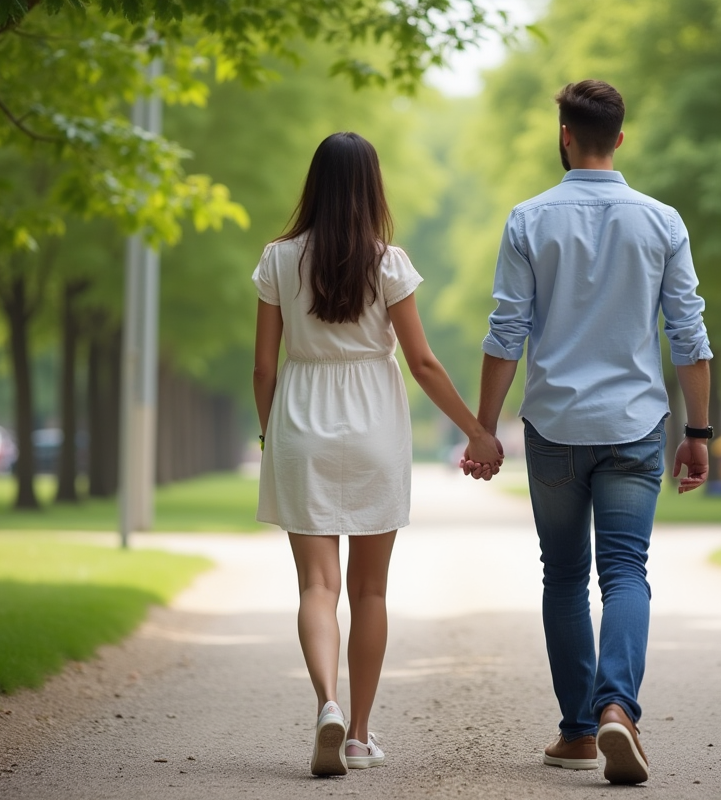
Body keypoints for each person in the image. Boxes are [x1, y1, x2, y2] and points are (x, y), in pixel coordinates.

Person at [461, 80, 713, 785]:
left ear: (565, 135)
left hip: (557, 427)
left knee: (566, 575)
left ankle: (578, 732)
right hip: (637, 425)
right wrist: (699, 431)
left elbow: (505, 332)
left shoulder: (528, 220)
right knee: (626, 571)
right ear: (620, 139)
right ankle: (617, 712)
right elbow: (689, 337)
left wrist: (485, 428)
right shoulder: (663, 221)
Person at [253, 132, 503, 777]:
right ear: (372, 187)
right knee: (369, 590)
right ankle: (360, 735)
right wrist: (477, 430)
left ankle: (327, 706)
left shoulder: (278, 259)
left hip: (300, 419)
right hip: (373, 425)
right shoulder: (388, 262)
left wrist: (270, 434)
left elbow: (262, 367)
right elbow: (421, 362)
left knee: (316, 584)